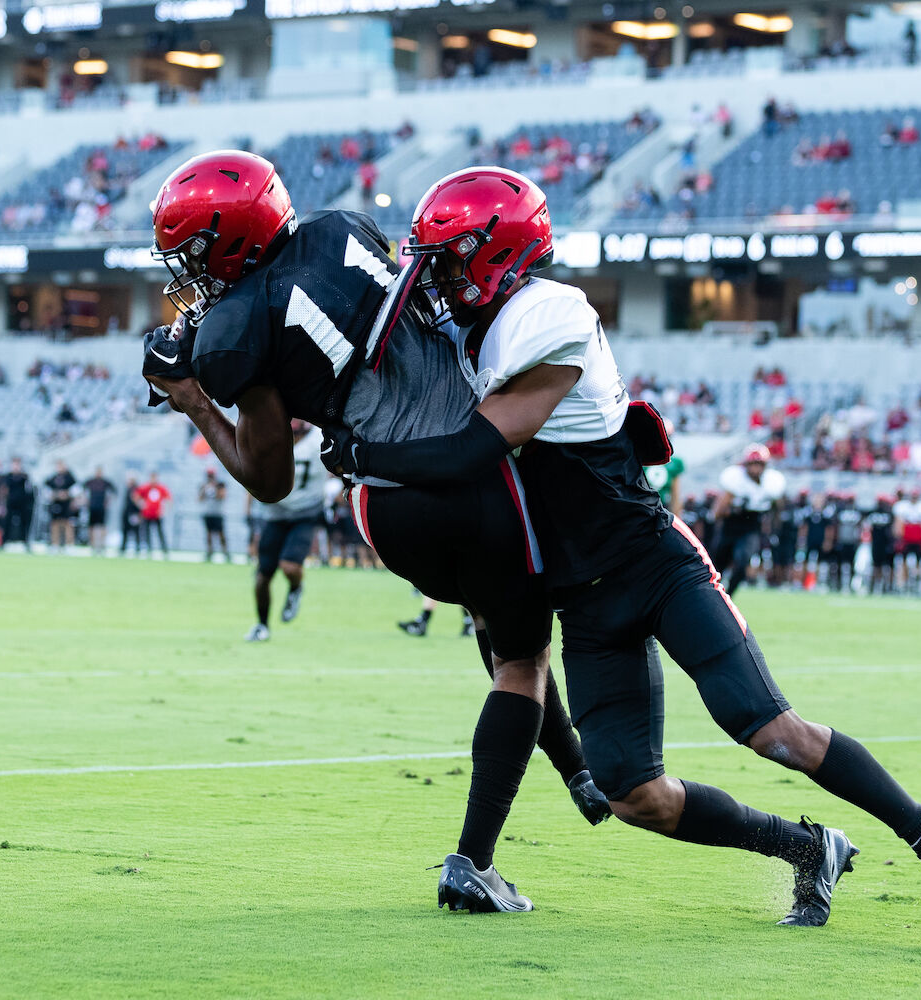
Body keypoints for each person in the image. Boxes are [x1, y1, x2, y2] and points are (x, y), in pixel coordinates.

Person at [325, 166, 921, 951]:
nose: (435, 277)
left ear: (498, 252)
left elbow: (478, 448)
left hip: (652, 563)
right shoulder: (472, 330)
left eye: (449, 257)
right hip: (585, 599)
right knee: (634, 794)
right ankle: (809, 849)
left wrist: (364, 455)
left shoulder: (549, 311)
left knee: (771, 730)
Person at [139, 150, 605, 912]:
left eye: (194, 253)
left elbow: (271, 479)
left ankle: (575, 775)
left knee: (507, 639)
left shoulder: (230, 332)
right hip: (468, 471)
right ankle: (488, 850)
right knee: (521, 652)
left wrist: (193, 398)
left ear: (227, 242)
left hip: (388, 501)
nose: (188, 271)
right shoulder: (343, 227)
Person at [245, 422, 324, 640]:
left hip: (306, 514)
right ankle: (262, 625)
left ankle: (296, 588)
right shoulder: (272, 437)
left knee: (289, 567)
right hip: (276, 514)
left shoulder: (318, 438)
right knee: (262, 577)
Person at [710, 445, 783, 595]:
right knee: (717, 565)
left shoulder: (771, 483)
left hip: (751, 527)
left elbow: (777, 507)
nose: (756, 468)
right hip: (731, 525)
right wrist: (723, 513)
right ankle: (712, 595)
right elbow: (718, 511)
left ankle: (729, 595)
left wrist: (775, 529)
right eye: (753, 463)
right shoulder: (735, 480)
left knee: (743, 560)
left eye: (759, 464)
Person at [199, 468, 231, 564]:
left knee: (221, 533)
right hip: (208, 513)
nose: (210, 477)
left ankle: (225, 552)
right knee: (208, 534)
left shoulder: (220, 485)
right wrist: (205, 489)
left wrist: (215, 488)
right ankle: (210, 551)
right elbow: (200, 499)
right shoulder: (204, 486)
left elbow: (222, 496)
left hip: (218, 513)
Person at [136, 471, 171, 557]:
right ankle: (149, 549)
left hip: (157, 515)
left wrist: (165, 511)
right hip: (147, 514)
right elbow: (136, 497)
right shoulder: (145, 487)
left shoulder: (161, 488)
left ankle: (164, 549)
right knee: (147, 532)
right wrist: (141, 505)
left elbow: (169, 499)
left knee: (160, 532)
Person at [45, 460, 78, 550]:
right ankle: (55, 544)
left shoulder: (70, 477)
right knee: (55, 523)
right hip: (56, 503)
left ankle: (69, 545)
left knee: (68, 523)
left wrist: (67, 494)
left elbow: (76, 490)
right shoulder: (53, 477)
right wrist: (56, 495)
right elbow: (47, 490)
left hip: (67, 504)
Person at [83, 467, 117, 554]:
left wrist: (108, 501)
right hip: (92, 507)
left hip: (102, 508)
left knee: (102, 526)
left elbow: (114, 492)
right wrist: (85, 500)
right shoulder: (90, 482)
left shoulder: (105, 482)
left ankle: (101, 546)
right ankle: (92, 545)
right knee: (91, 526)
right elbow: (81, 489)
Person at [4, 457, 34, 551]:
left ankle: (24, 541)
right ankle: (5, 541)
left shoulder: (25, 477)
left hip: (23, 504)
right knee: (7, 522)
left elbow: (29, 491)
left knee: (24, 523)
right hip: (10, 503)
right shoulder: (8, 477)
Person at [119, 475, 143, 556]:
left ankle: (137, 548)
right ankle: (123, 548)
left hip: (134, 513)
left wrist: (139, 513)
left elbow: (137, 502)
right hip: (127, 512)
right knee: (125, 531)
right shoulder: (128, 489)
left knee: (135, 531)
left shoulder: (135, 490)